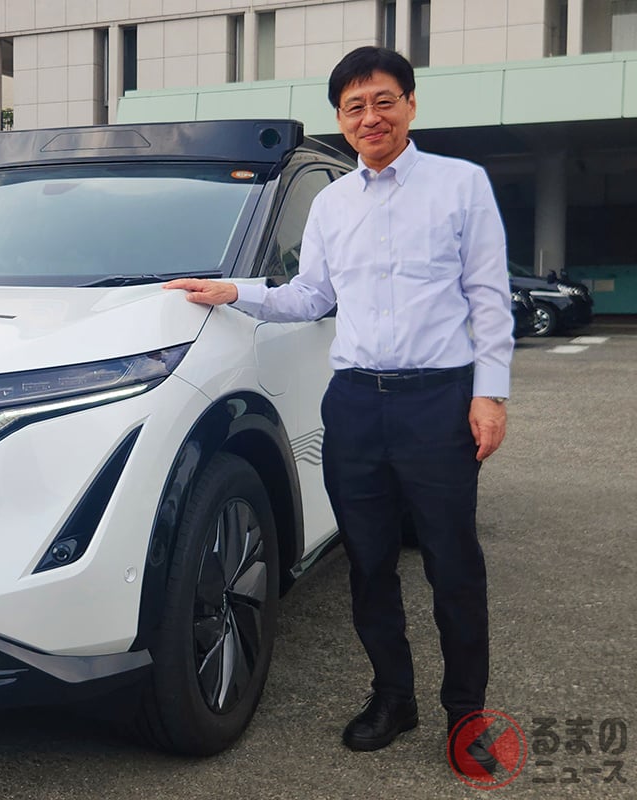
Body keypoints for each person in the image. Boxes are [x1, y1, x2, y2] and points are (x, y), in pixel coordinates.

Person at [164, 46, 512, 761]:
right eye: (355, 106)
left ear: (410, 104)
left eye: (383, 101)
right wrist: (235, 292)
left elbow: (489, 298)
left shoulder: (461, 185)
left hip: (437, 401)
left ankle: (466, 715)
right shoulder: (331, 203)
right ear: (341, 118)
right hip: (353, 404)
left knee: (452, 564)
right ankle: (394, 698)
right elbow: (310, 296)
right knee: (369, 562)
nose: (370, 117)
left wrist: (490, 394)